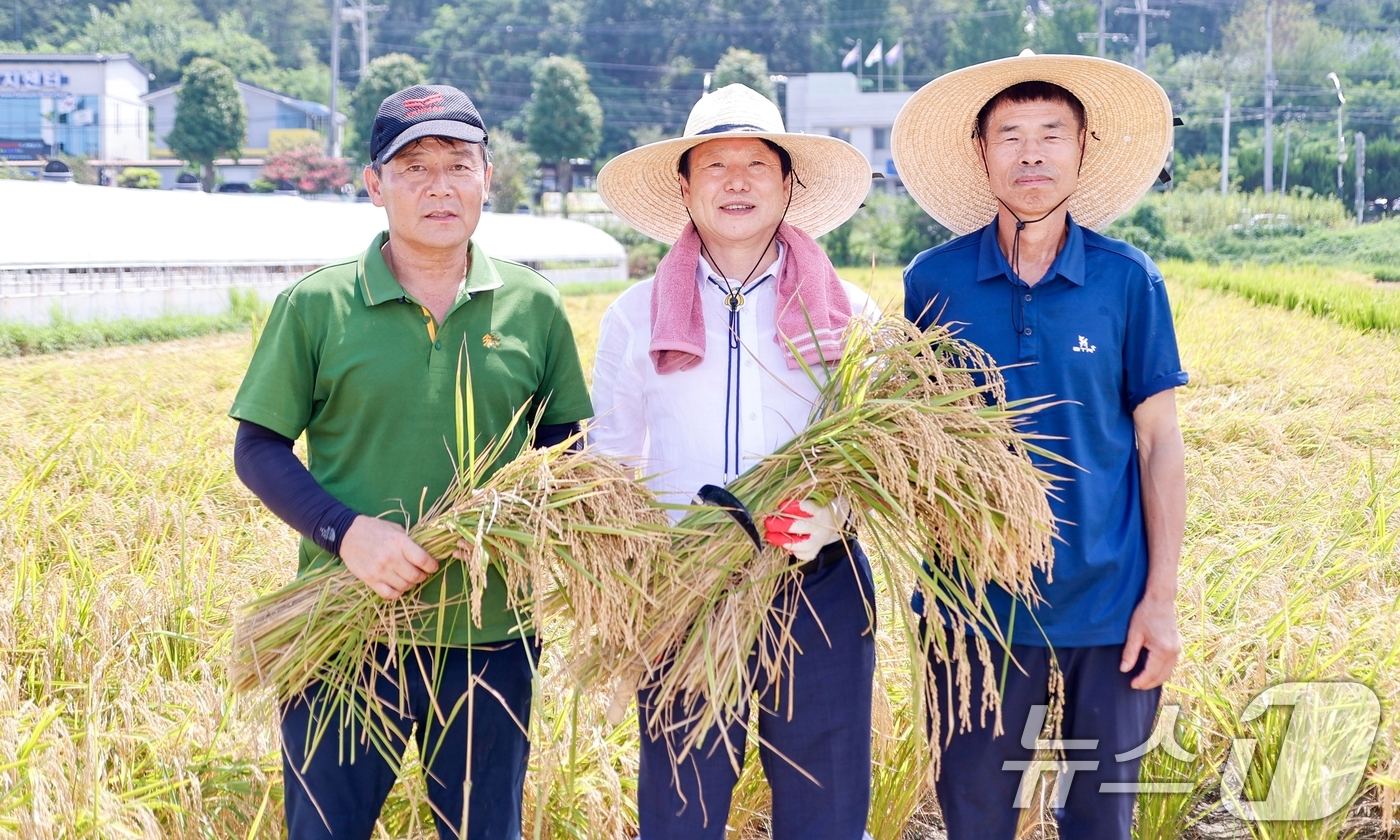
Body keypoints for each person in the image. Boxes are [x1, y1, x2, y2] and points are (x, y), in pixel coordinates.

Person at [229, 84, 593, 840]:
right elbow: (258, 448)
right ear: (374, 185)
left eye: (458, 165)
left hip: (489, 639)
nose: (439, 186)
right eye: (414, 167)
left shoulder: (535, 307)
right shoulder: (317, 306)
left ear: (488, 178)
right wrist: (346, 533)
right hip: (344, 638)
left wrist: (518, 521)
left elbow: (567, 454)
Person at [891, 52, 1187, 839]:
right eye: (1010, 135)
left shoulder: (1129, 280)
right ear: (982, 153)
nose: (1031, 153)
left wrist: (1159, 603)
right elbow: (909, 438)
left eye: (1053, 134)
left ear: (1083, 149)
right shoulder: (934, 282)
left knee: (1100, 817)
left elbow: (1159, 443)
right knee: (977, 814)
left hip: (1108, 603)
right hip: (972, 605)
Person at [589, 83, 879, 840]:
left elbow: (881, 456)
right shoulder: (635, 315)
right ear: (684, 186)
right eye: (715, 164)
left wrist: (835, 518)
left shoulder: (850, 312)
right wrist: (639, 570)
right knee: (680, 809)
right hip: (685, 586)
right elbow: (613, 458)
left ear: (790, 183)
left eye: (758, 163)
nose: (738, 180)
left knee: (826, 808)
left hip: (817, 582)